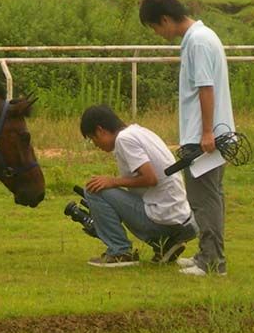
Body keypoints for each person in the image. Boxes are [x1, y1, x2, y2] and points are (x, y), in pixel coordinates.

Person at [139, 0, 235, 277]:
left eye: (156, 27)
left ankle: (212, 262)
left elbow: (206, 88)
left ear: (166, 19)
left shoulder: (198, 43)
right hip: (210, 134)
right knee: (210, 198)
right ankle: (207, 255)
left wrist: (206, 132)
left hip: (205, 137)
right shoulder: (202, 37)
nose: (157, 33)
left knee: (204, 201)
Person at [78, 104, 198, 268]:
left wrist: (113, 181)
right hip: (180, 219)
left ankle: (120, 252)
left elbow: (150, 178)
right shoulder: (140, 132)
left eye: (93, 139)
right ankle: (165, 245)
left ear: (100, 130)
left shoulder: (124, 140)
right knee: (104, 188)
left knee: (93, 190)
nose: (96, 145)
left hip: (161, 219)